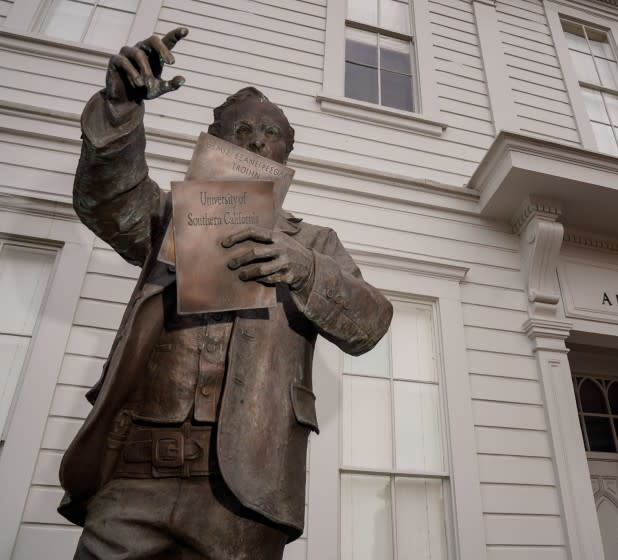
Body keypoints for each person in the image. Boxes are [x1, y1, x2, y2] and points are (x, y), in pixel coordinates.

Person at [59, 27, 393, 559]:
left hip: (245, 490)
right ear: (213, 141)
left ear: (286, 152)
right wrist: (120, 110)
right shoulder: (171, 214)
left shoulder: (315, 242)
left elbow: (371, 323)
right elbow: (108, 201)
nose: (256, 139)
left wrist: (305, 270)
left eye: (271, 132)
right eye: (239, 129)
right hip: (133, 473)